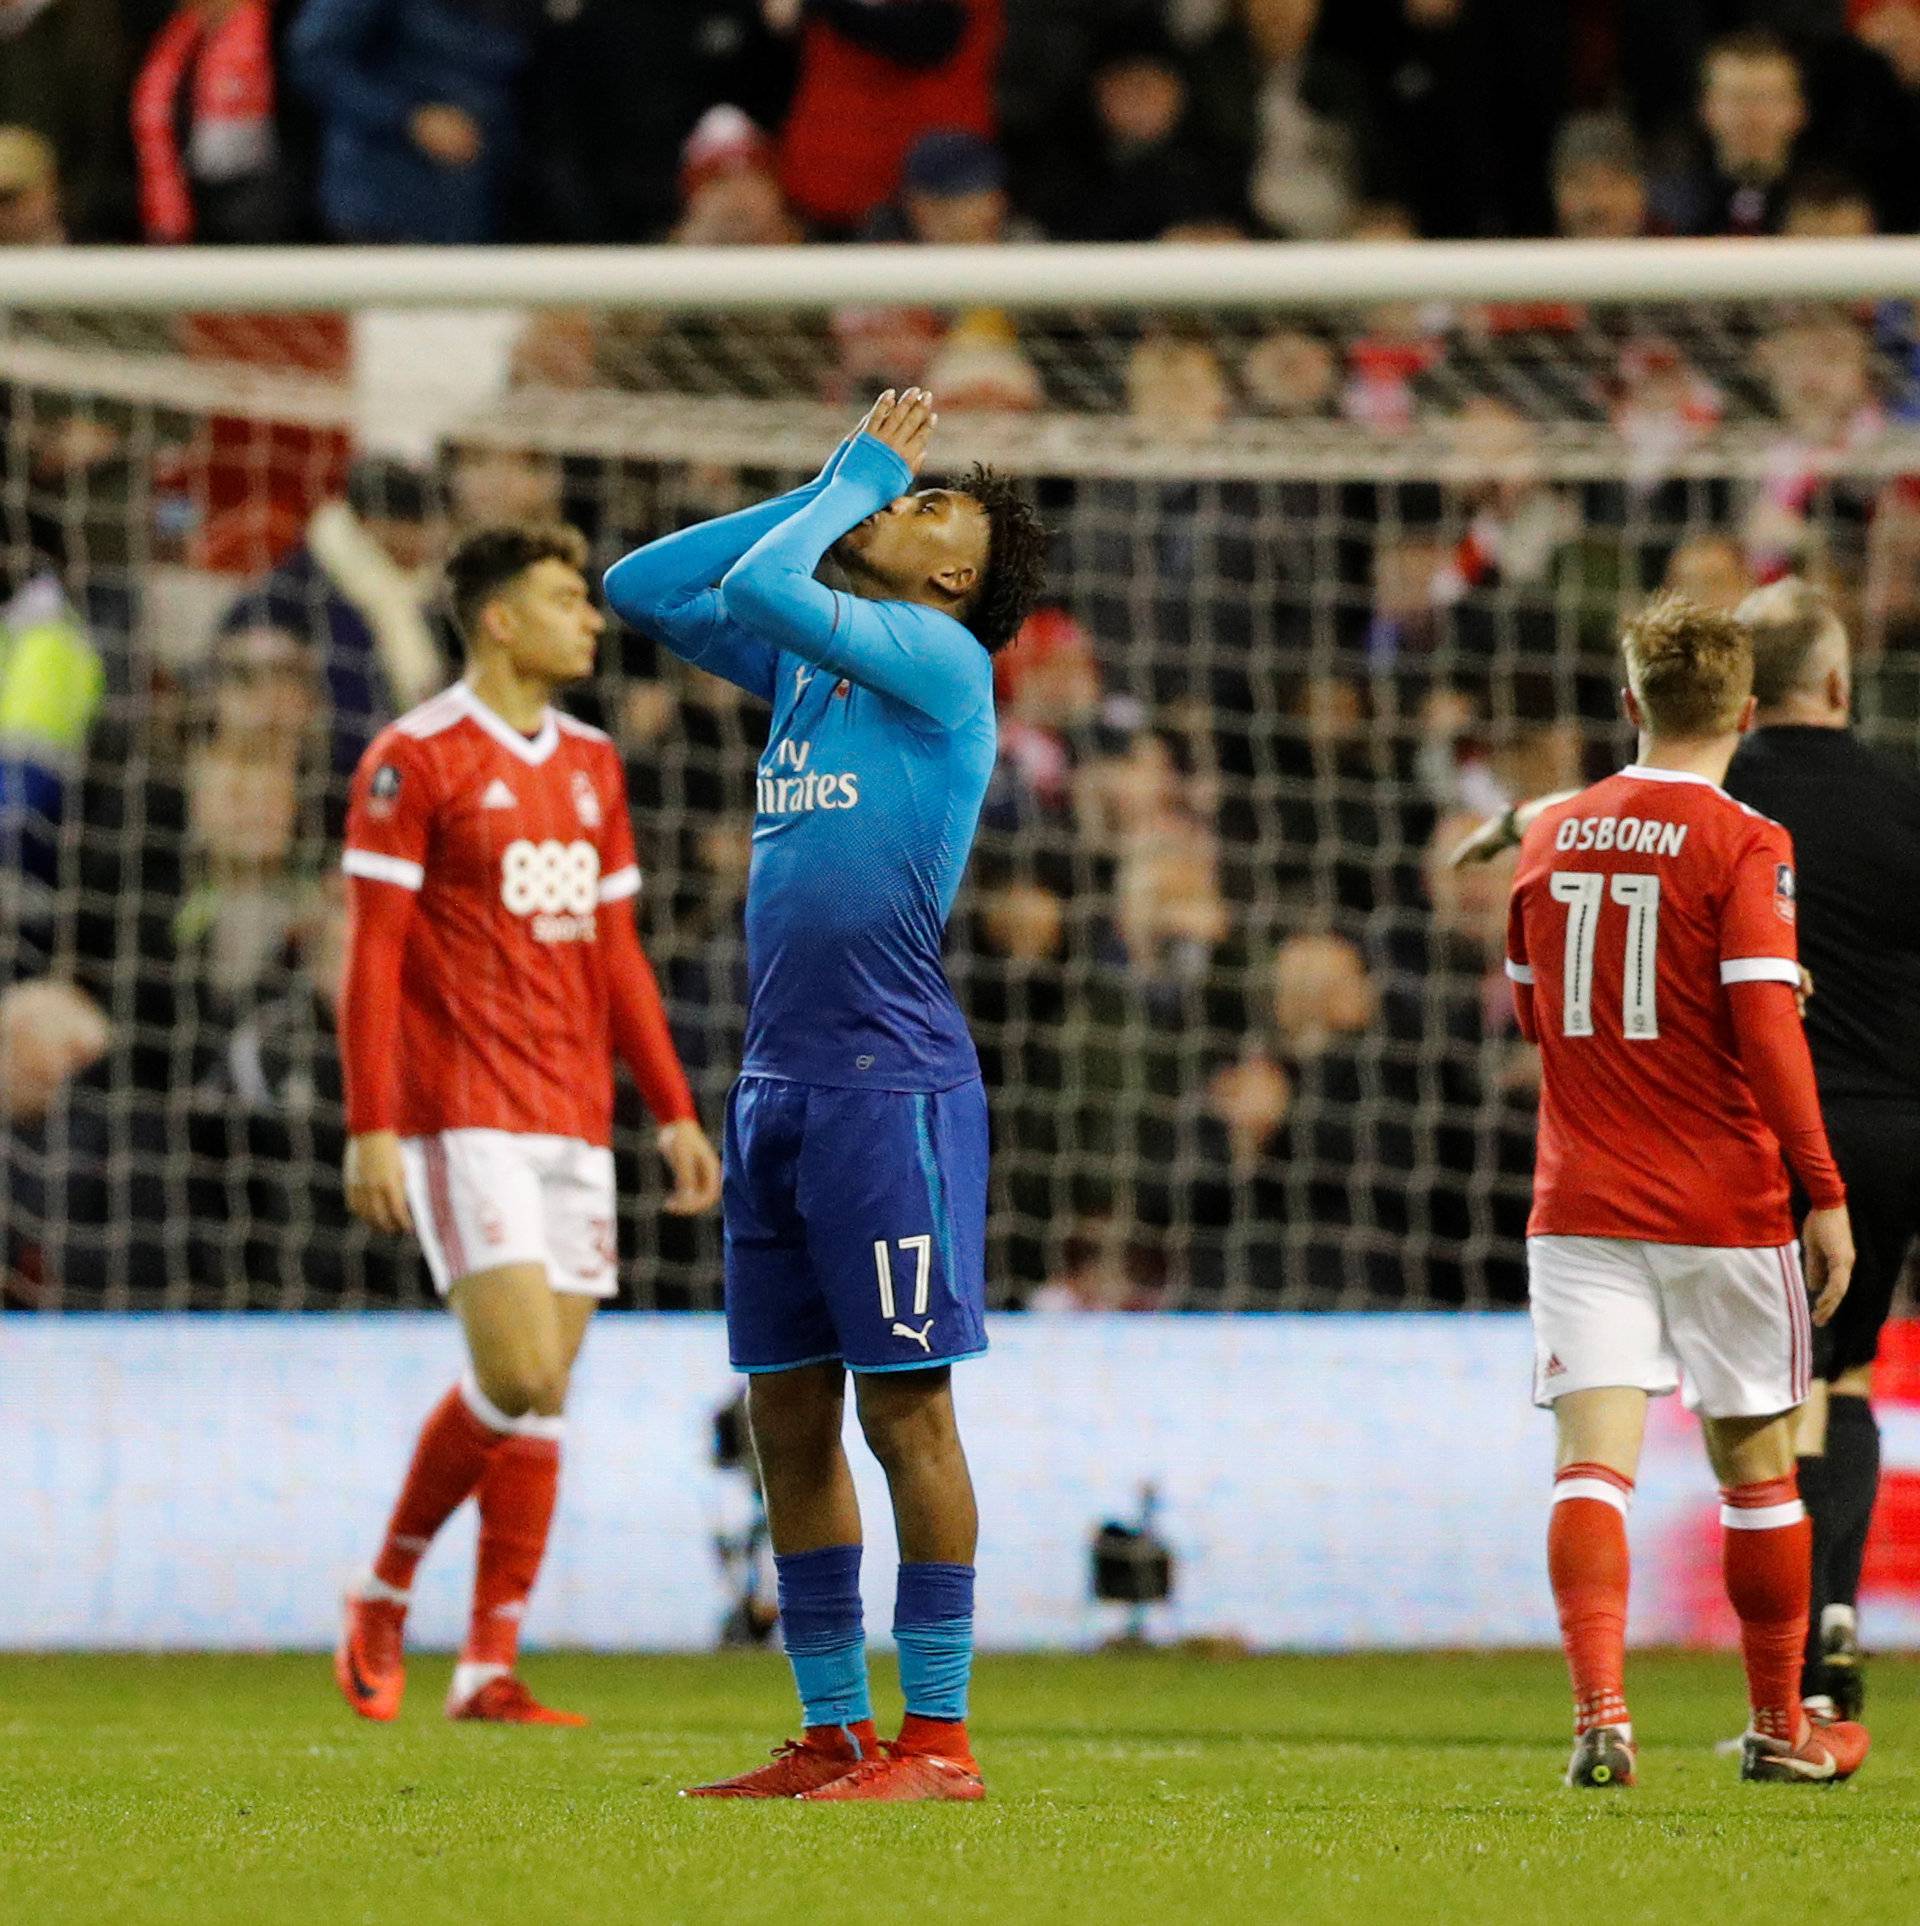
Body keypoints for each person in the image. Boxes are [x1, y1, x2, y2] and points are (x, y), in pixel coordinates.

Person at [604, 388, 1048, 1801]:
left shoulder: (937, 658)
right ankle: (829, 1728)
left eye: (927, 508)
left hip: (889, 1088)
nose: (896, 506)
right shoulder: (817, 659)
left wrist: (842, 484)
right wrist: (835, 482)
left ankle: (940, 1738)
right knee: (784, 1418)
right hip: (778, 1082)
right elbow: (643, 585)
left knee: (905, 1411)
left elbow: (752, 580)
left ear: (955, 578)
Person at [331, 523, 722, 1727]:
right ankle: (385, 1589)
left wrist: (669, 1109)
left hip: (572, 1118)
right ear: (499, 620)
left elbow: (615, 956)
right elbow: (375, 957)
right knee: (520, 1372)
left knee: (545, 1402)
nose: (591, 620)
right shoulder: (416, 758)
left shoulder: (596, 763)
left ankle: (488, 1667)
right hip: (464, 1116)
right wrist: (373, 1125)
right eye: (567, 599)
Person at [1504, 592, 1866, 1791]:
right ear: (1749, 714)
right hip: (1720, 1198)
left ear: (1629, 704)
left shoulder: (1552, 834)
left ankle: (1600, 1716)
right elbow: (1766, 1033)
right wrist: (1822, 1188)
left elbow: (1532, 1007)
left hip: (1581, 1197)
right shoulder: (1748, 841)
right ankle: (1780, 1727)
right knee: (1757, 1474)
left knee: (1589, 1468)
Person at [1718, 580, 1920, 1721]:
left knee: (1770, 1390)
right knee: (1842, 1372)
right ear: (1838, 685)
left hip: (1765, 1133)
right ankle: (1834, 1615)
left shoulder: (1722, 802)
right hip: (1895, 1128)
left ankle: (1792, 1671)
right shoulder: (1902, 803)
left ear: (1743, 696)